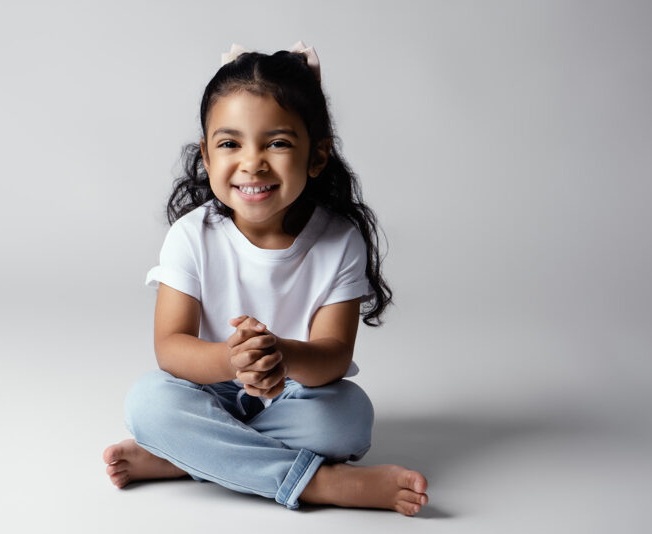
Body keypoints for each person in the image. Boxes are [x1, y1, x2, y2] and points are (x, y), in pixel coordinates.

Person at [103, 42, 429, 515]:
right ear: (207, 155)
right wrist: (232, 361)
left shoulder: (339, 241)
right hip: (209, 387)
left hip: (292, 393)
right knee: (148, 404)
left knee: (350, 418)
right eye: (230, 143)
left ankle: (186, 455)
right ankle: (321, 484)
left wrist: (281, 354)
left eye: (277, 143)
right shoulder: (191, 235)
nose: (252, 162)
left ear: (317, 156)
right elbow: (171, 348)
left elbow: (333, 358)